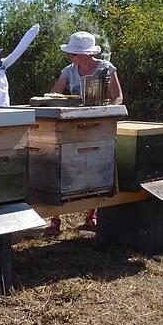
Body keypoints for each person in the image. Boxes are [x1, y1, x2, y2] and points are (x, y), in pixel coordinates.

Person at [46, 31, 124, 236]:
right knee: (65, 169)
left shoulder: (106, 68)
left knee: (96, 168)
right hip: (72, 126)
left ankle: (92, 215)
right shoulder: (69, 70)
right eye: (71, 53)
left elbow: (118, 96)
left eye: (74, 53)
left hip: (98, 125)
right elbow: (55, 93)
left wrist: (108, 113)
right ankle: (55, 219)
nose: (71, 57)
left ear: (87, 54)